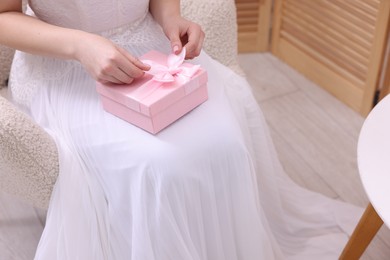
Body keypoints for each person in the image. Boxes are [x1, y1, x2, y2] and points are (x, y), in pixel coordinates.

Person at [0, 0, 362, 259]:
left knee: (225, 145)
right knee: (157, 166)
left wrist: (172, 19)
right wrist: (81, 45)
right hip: (66, 67)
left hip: (149, 51)